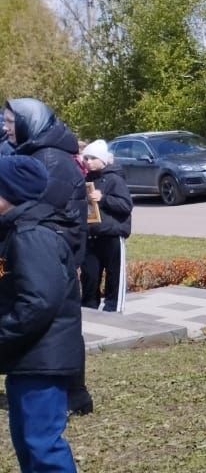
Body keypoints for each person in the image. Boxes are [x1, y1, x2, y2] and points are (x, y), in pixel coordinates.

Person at [4, 98, 92, 416]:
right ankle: (71, 394)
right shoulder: (37, 154)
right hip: (47, 250)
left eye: (12, 122)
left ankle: (73, 394)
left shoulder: (50, 159)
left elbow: (40, 209)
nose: (6, 127)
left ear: (31, 122)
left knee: (56, 325)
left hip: (52, 251)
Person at [0, 156, 82, 472]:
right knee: (26, 440)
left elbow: (39, 302)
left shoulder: (31, 236)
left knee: (42, 445)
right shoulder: (16, 230)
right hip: (28, 357)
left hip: (41, 359)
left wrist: (3, 333)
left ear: (11, 194)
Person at [79, 139, 133, 312]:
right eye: (85, 158)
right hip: (91, 234)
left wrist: (103, 198)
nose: (88, 162)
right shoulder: (86, 180)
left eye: (92, 158)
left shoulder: (115, 179)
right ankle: (89, 307)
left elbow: (125, 206)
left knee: (114, 275)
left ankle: (113, 308)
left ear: (102, 159)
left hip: (112, 234)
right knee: (90, 275)